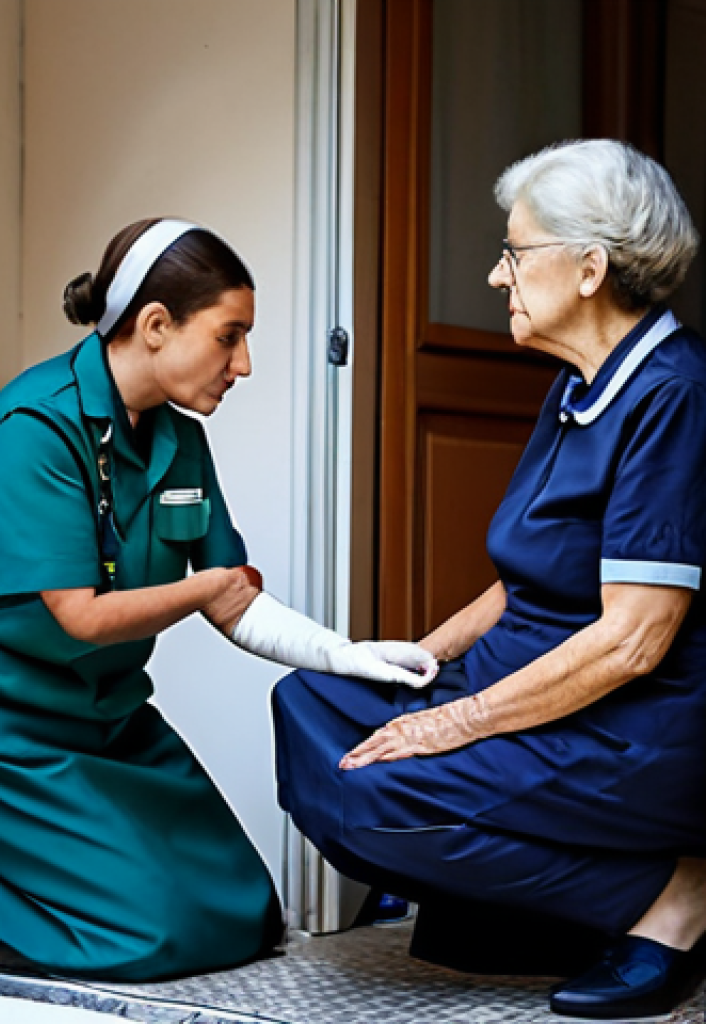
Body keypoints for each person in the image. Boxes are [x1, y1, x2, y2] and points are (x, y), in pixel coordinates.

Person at [0, 218, 437, 982]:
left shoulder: (178, 439)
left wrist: (348, 654)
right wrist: (201, 589)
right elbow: (80, 615)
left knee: (247, 911)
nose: (243, 363)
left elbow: (234, 599)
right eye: (229, 336)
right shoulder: (35, 426)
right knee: (152, 934)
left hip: (106, 713)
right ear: (156, 326)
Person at [272, 140, 706, 1019]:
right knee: (310, 703)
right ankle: (542, 902)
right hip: (524, 688)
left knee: (371, 803)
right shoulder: (578, 385)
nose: (496, 276)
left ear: (590, 267)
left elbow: (634, 639)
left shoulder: (675, 395)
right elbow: (522, 580)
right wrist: (412, 664)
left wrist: (451, 724)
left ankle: (672, 901)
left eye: (515, 252)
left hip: (626, 728)